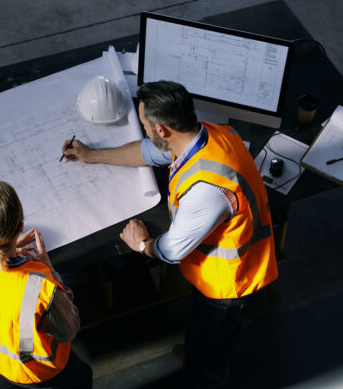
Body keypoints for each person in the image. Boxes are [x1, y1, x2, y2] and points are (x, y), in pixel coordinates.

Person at [62, 81, 278, 387]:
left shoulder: (207, 190)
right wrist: (92, 155)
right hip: (242, 262)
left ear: (162, 129)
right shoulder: (209, 134)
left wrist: (142, 244)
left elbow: (172, 251)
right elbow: (149, 152)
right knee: (220, 332)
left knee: (206, 341)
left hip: (230, 284)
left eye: (145, 126)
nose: (145, 132)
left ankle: (208, 373)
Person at [0, 181, 92, 389]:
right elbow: (69, 329)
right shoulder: (39, 288)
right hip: (42, 376)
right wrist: (49, 268)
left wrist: (3, 253)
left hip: (2, 369)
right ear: (20, 226)